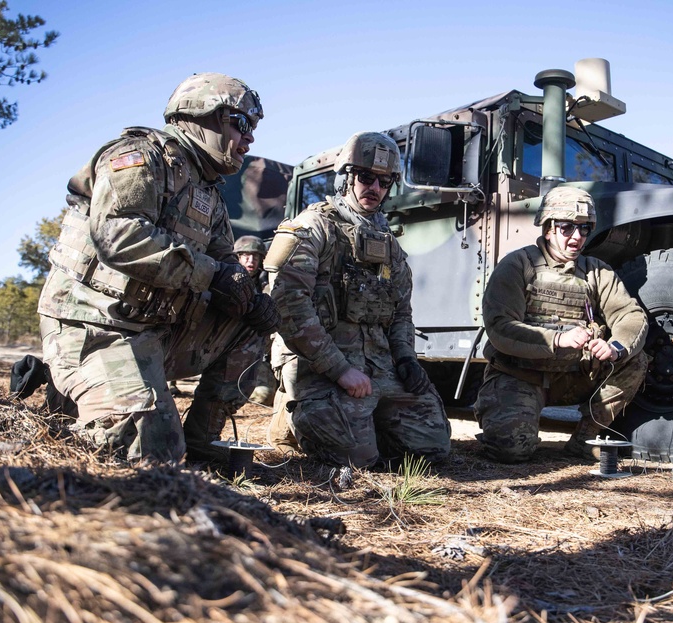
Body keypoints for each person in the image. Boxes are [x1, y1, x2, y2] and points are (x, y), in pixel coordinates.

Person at [37, 72, 280, 463]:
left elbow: (225, 262)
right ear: (207, 116)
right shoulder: (139, 157)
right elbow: (119, 236)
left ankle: (203, 442)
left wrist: (250, 299)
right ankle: (67, 382)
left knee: (250, 324)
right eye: (243, 124)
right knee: (151, 451)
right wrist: (212, 275)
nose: (249, 138)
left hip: (154, 331)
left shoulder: (209, 193)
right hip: (96, 327)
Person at [266, 131, 451, 474]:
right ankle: (291, 414)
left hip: (378, 369)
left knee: (432, 451)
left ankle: (366, 421)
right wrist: (339, 370)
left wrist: (407, 360)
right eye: (366, 177)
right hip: (321, 366)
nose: (375, 188)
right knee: (358, 460)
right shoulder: (314, 226)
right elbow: (289, 304)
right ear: (346, 177)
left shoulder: (388, 243)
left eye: (384, 181)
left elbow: (401, 313)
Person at [473, 186, 649, 463]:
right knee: (511, 450)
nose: (577, 238)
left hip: (574, 376)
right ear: (548, 228)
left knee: (635, 361)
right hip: (521, 377)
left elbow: (630, 315)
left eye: (584, 229)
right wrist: (556, 340)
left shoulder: (597, 271)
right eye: (567, 228)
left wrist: (616, 347)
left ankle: (586, 438)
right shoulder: (518, 265)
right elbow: (500, 328)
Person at [233, 235, 279, 406]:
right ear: (237, 257)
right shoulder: (225, 280)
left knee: (264, 395)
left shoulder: (267, 286)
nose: (250, 260)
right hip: (225, 350)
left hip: (255, 354)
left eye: (256, 256)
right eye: (245, 255)